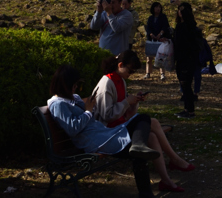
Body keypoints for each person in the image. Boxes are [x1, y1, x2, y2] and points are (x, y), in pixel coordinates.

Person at [46, 64, 159, 198]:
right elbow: (72, 129)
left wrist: (90, 105)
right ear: (64, 85)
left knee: (143, 119)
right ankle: (145, 190)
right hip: (95, 141)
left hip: (103, 134)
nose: (76, 88)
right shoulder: (58, 105)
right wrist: (88, 111)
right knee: (139, 149)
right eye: (74, 85)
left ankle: (139, 147)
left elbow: (89, 113)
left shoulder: (73, 98)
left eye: (77, 85)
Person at [91, 50, 194, 193]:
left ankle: (166, 179)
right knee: (147, 120)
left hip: (118, 128)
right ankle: (173, 160)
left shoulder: (120, 80)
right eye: (130, 71)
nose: (131, 74)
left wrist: (133, 103)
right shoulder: (107, 83)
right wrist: (127, 102)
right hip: (108, 134)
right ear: (120, 65)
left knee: (151, 135)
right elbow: (107, 116)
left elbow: (126, 115)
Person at [172, 2, 202, 119]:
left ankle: (190, 110)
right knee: (186, 84)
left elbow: (178, 42)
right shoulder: (192, 27)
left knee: (185, 84)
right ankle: (187, 108)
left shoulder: (182, 27)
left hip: (183, 58)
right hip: (190, 58)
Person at [144, 1, 171, 81]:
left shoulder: (163, 17)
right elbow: (148, 28)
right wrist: (151, 34)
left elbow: (165, 26)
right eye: (156, 7)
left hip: (161, 39)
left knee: (161, 56)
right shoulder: (150, 18)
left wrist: (160, 34)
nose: (158, 9)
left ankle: (162, 74)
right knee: (149, 57)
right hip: (151, 39)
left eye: (159, 7)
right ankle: (148, 73)